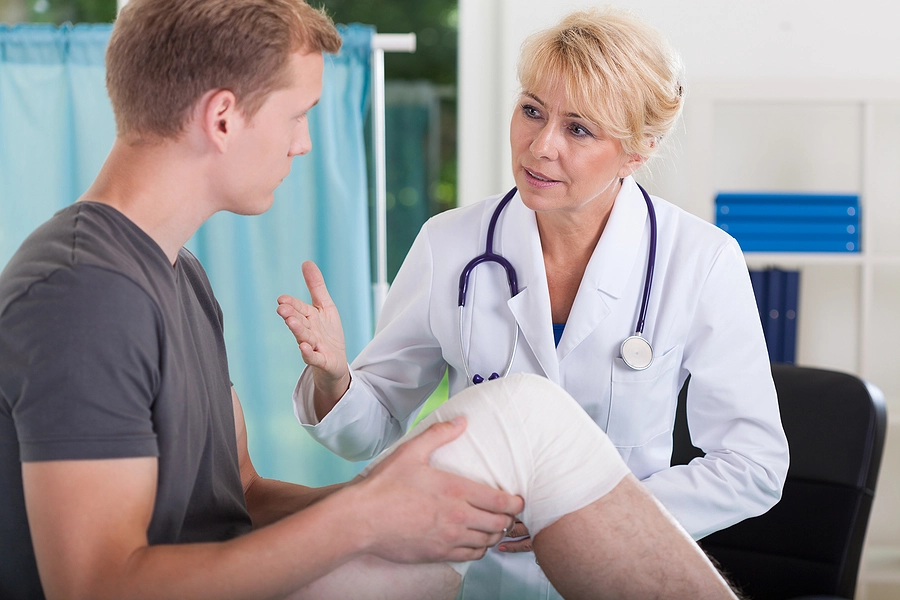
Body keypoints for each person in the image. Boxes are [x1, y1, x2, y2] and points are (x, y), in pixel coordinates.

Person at [0, 1, 741, 599]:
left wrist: (394, 508)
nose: (305, 146)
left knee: (529, 418)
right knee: (531, 416)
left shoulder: (177, 277)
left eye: (578, 128)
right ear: (224, 118)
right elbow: (97, 584)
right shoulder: (81, 296)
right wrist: (364, 511)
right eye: (298, 116)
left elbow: (243, 493)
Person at [278, 6, 790, 600]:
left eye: (579, 129)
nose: (540, 146)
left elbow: (751, 465)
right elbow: (366, 433)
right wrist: (336, 379)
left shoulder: (701, 260)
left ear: (638, 151)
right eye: (532, 111)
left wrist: (584, 511)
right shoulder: (452, 243)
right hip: (476, 572)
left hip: (620, 569)